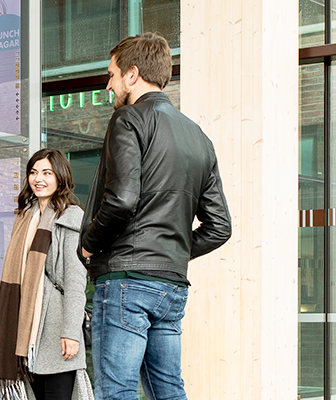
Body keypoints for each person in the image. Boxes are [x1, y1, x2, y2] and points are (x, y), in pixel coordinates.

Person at [78, 33, 232, 400]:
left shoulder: (127, 119)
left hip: (126, 281)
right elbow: (220, 226)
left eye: (112, 74)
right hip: (171, 286)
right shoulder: (199, 137)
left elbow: (121, 200)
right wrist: (171, 251)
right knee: (168, 391)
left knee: (116, 392)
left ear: (132, 75)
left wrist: (88, 244)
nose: (109, 83)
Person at [0, 149, 94, 400]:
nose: (39, 179)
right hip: (25, 334)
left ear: (60, 177)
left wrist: (70, 332)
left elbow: (75, 281)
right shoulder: (25, 217)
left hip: (56, 328)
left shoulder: (71, 216)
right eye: (34, 172)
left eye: (47, 172)